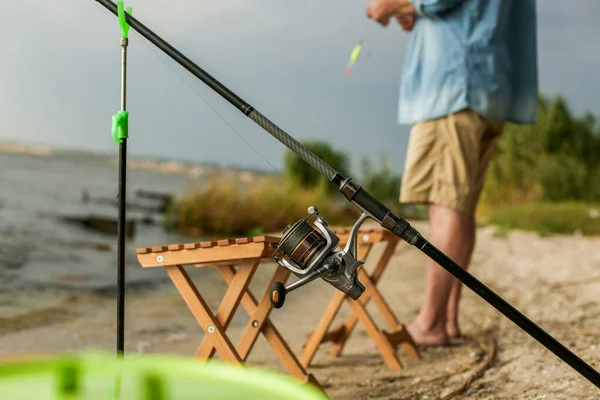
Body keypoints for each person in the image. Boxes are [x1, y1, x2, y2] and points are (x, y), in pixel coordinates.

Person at [366, 0, 538, 345]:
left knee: (446, 206)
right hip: (492, 84)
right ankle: (446, 320)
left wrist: (391, 4)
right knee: (461, 208)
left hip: (455, 83)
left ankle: (429, 324)